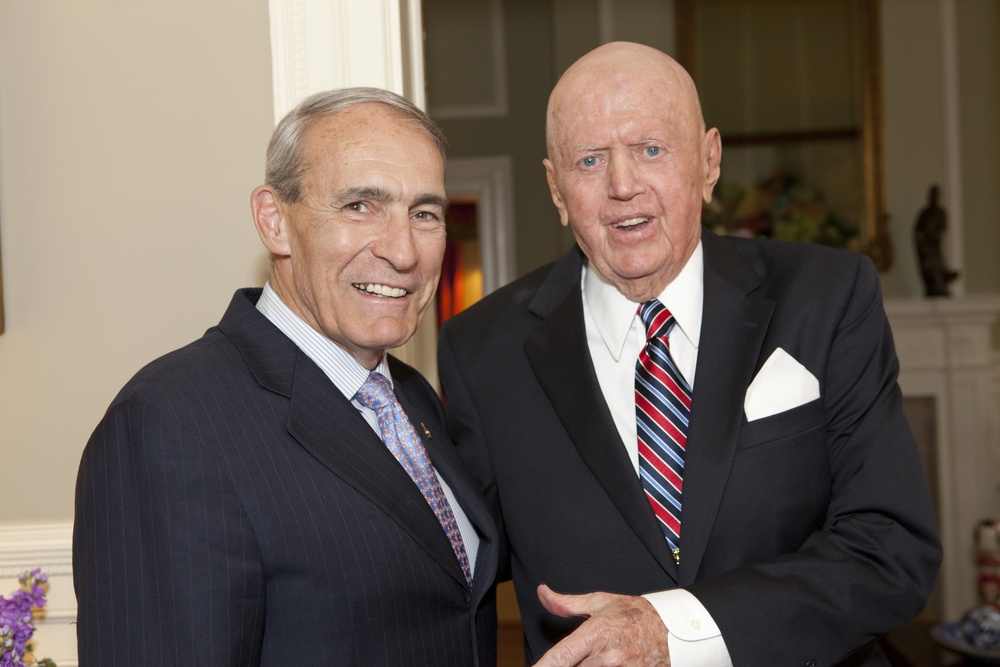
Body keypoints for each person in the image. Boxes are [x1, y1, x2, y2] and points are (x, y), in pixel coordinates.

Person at [438, 42, 941, 666]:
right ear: (556, 188)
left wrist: (672, 629)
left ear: (709, 162)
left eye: (651, 149)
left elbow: (891, 550)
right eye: (590, 160)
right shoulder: (483, 351)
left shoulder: (827, 297)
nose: (623, 185)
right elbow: (446, 580)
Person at [73, 87, 499, 666]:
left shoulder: (411, 397)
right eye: (359, 206)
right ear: (273, 222)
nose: (403, 251)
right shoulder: (168, 425)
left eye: (424, 213)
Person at [914, 184, 959, 297]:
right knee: (929, 267)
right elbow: (918, 231)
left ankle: (943, 278)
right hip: (926, 247)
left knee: (939, 263)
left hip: (935, 245)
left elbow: (942, 228)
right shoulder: (924, 213)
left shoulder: (940, 213)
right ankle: (937, 282)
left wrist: (935, 236)